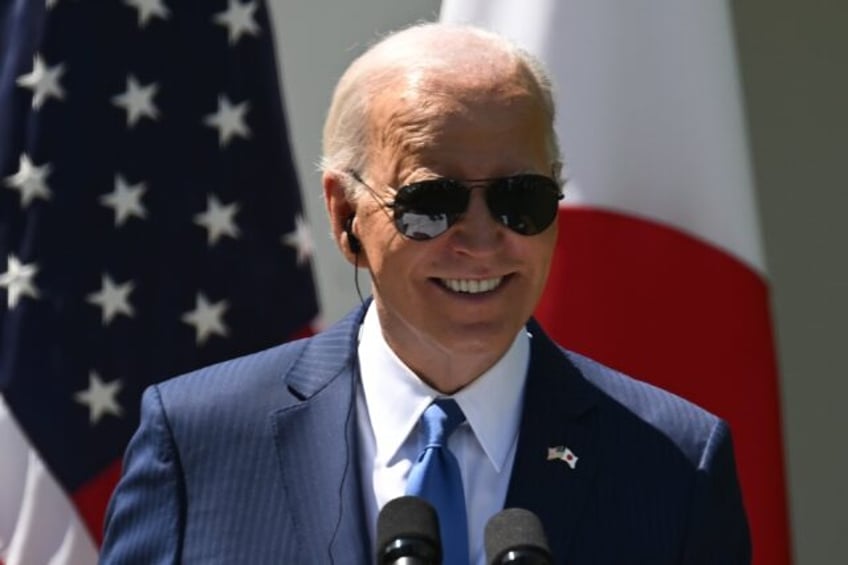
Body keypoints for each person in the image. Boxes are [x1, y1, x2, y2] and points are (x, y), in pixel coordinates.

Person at [101, 23, 750, 564]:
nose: (481, 238)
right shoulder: (197, 441)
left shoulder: (674, 465)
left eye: (518, 198)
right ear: (344, 212)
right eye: (431, 202)